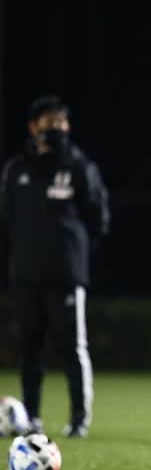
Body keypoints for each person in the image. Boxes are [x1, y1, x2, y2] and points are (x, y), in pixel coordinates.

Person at [0, 95, 109, 438]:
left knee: (72, 348)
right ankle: (31, 417)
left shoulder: (79, 167)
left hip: (66, 275)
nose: (56, 129)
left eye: (61, 123)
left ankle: (79, 419)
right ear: (33, 127)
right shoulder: (17, 169)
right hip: (27, 275)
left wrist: (71, 251)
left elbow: (98, 218)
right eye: (49, 123)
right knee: (30, 348)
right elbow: (8, 217)